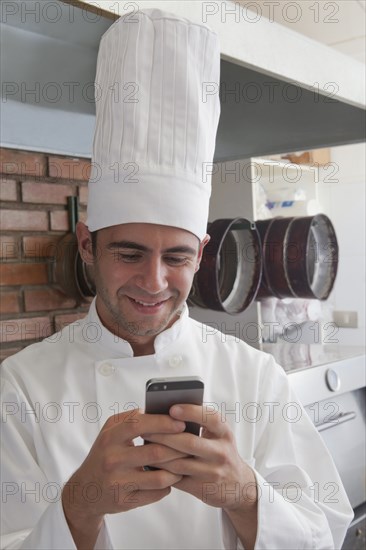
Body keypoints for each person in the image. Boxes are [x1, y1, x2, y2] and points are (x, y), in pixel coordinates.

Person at [1, 8, 353, 550]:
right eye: (129, 252)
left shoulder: (255, 377)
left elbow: (325, 536)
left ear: (203, 254)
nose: (154, 281)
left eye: (178, 257)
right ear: (88, 244)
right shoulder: (20, 390)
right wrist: (79, 507)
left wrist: (246, 493)